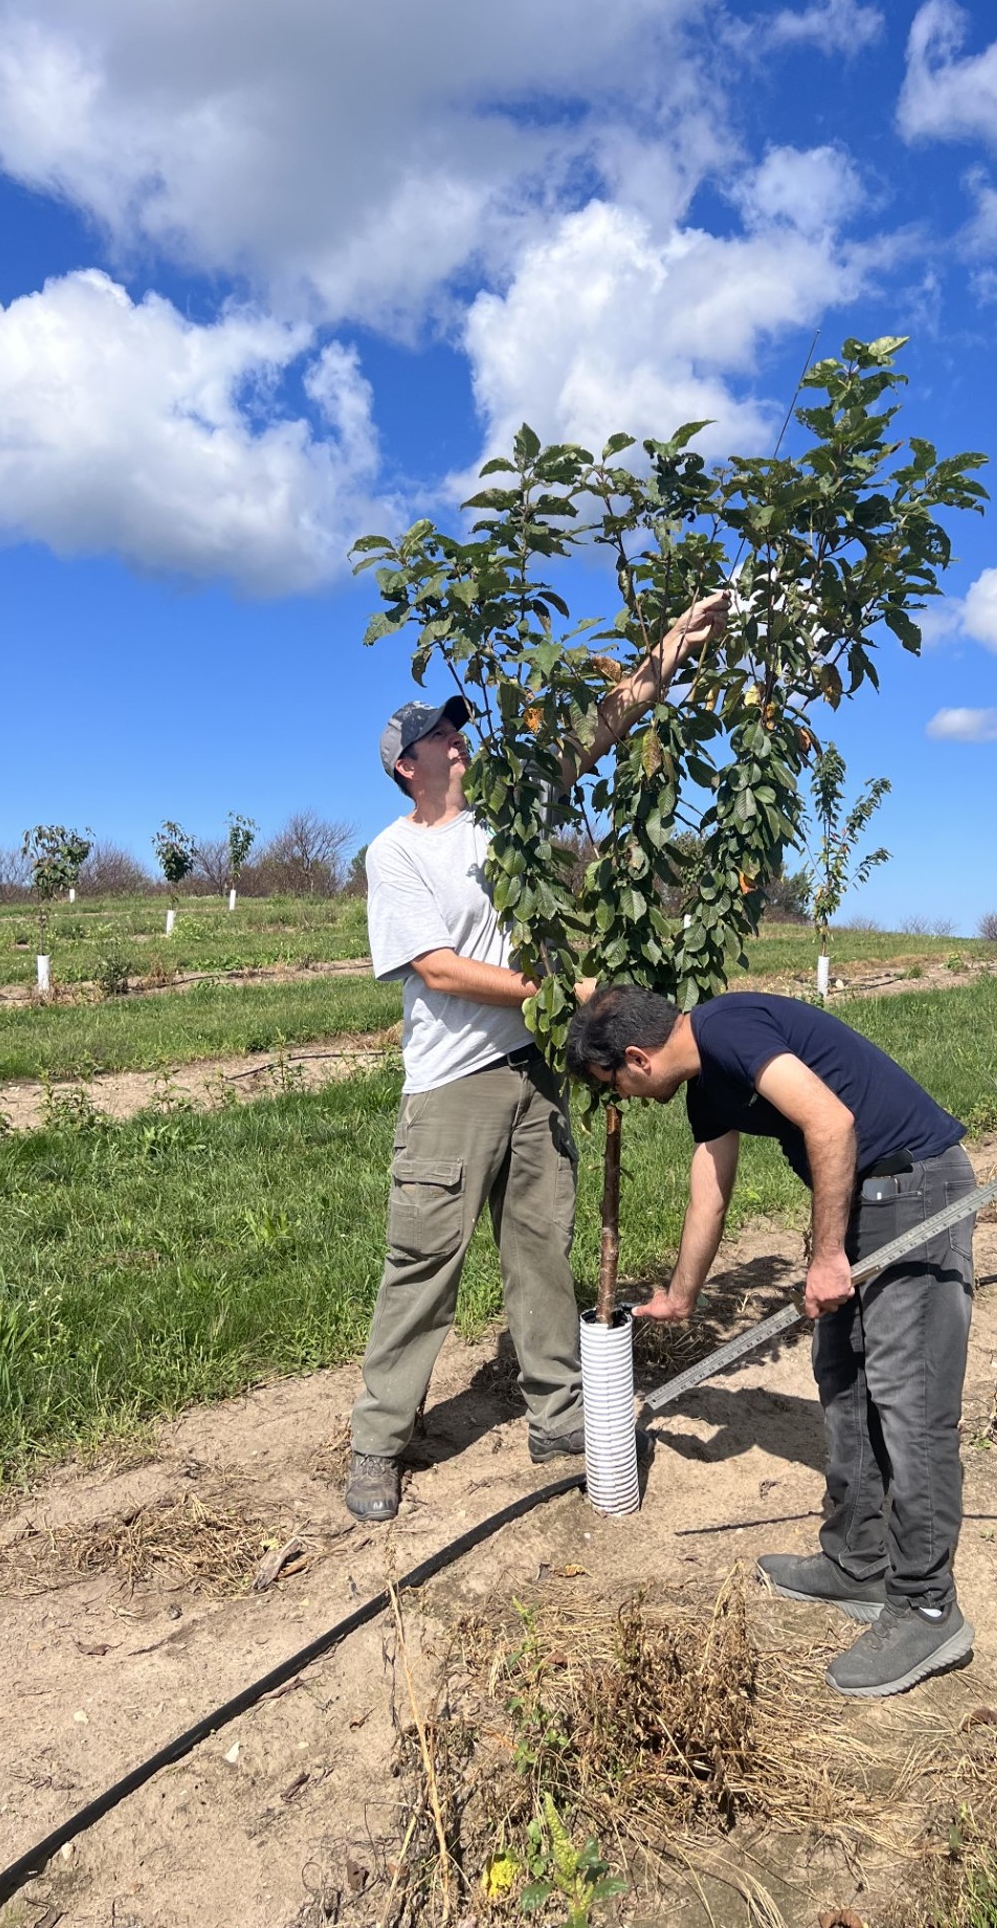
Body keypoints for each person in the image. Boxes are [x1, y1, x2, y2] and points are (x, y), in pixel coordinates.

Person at [344, 590, 728, 1524]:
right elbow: (434, 968)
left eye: (458, 729)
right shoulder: (393, 856)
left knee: (540, 1255)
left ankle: (558, 1415)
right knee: (424, 1263)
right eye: (440, 735)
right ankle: (377, 1443)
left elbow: (597, 731)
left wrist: (672, 643)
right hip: (449, 1089)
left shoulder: (503, 824)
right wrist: (557, 995)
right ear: (406, 765)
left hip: (534, 1074)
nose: (458, 742)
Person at [563, 984, 978, 1699]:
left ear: (637, 1057)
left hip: (914, 1188)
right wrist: (682, 1294)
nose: (624, 1098)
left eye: (616, 1085)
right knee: (844, 1387)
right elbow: (710, 1191)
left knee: (912, 1408)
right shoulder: (708, 1081)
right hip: (863, 1200)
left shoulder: (728, 1029)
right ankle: (858, 1562)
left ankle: (928, 1605)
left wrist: (823, 1259)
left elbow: (832, 1122)